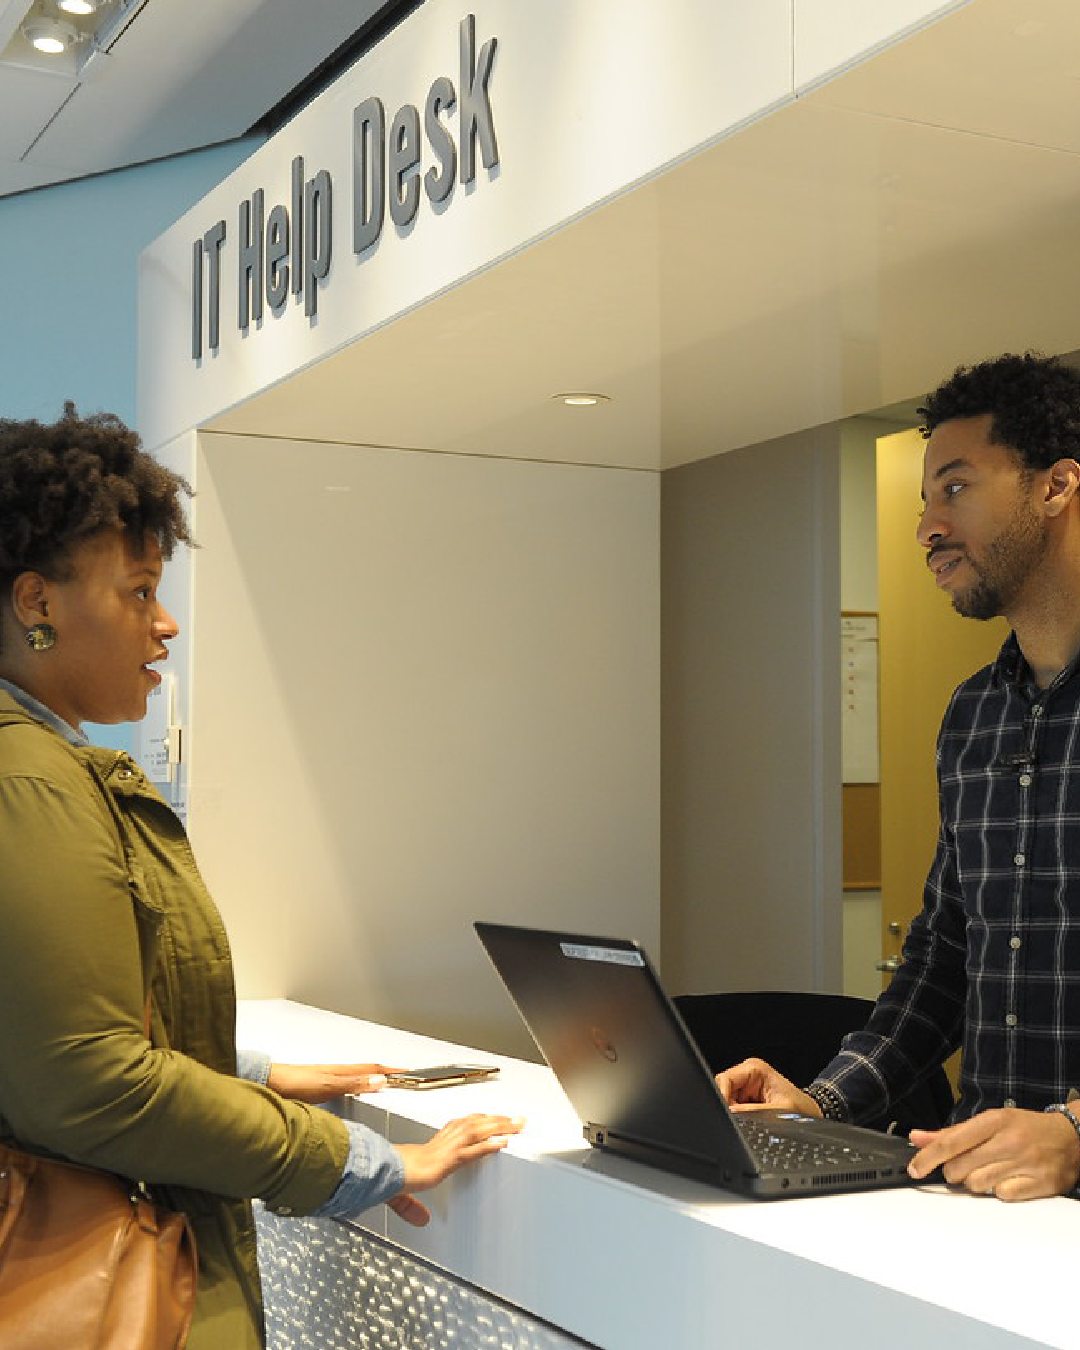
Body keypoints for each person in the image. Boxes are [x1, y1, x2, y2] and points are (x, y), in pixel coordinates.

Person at [0, 405, 522, 1348]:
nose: (164, 626)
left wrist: (242, 1070)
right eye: (138, 591)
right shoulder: (30, 782)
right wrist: (363, 1161)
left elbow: (42, 1023)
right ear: (37, 604)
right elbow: (89, 1081)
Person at [718, 352, 1080, 1202]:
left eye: (955, 489)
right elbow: (944, 956)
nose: (927, 527)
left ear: (1056, 486)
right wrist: (820, 1101)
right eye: (926, 501)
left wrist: (1074, 1134)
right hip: (976, 1207)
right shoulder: (973, 715)